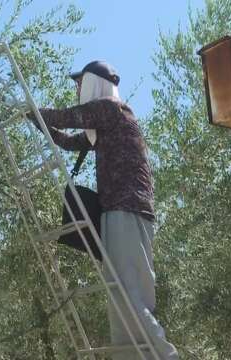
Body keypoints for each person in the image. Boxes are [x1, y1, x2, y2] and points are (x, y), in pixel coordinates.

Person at [28, 61, 179, 360]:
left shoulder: (112, 109)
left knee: (127, 293)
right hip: (122, 210)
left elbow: (69, 117)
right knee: (122, 294)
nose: (77, 90)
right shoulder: (106, 125)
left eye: (80, 84)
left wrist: (33, 110)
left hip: (126, 209)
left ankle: (165, 356)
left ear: (95, 84)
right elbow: (69, 141)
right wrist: (36, 120)